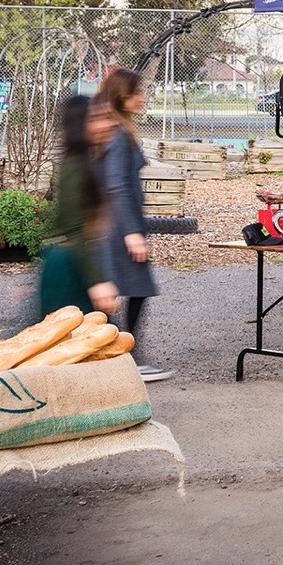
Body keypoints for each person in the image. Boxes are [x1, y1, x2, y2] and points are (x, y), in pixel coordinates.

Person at [95, 67, 167, 384]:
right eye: (137, 92)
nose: (142, 98)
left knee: (121, 292)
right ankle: (125, 358)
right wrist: (132, 233)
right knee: (132, 290)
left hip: (118, 224)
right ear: (122, 95)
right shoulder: (118, 134)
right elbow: (117, 185)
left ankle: (119, 355)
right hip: (118, 227)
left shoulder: (116, 128)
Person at [45, 91, 122, 324]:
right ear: (80, 125)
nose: (108, 124)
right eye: (96, 118)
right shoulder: (76, 167)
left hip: (79, 260)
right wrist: (97, 281)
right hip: (71, 266)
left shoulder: (89, 161)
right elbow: (75, 230)